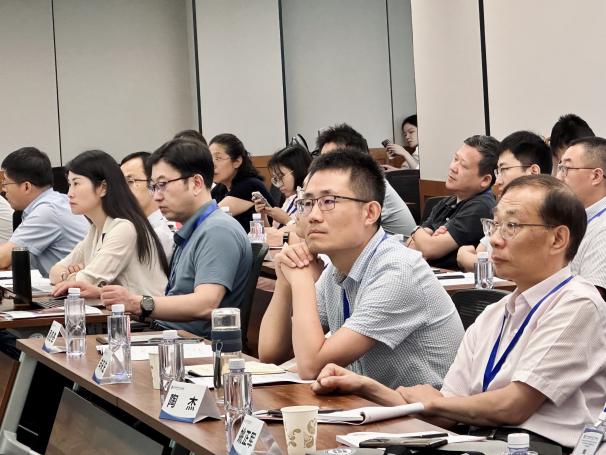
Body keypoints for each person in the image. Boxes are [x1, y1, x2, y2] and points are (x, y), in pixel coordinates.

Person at [313, 175, 606, 454]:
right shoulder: (494, 314)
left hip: (538, 447)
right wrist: (366, 387)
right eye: (494, 225)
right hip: (474, 442)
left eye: (512, 226)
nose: (495, 240)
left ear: (558, 239)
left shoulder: (578, 303)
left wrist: (434, 404)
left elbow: (513, 406)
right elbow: (445, 413)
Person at [258, 149, 464, 388]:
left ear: (370, 213)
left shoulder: (398, 271)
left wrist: (302, 281)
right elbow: (271, 354)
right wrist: (285, 280)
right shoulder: (337, 269)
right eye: (307, 203)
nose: (313, 216)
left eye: (328, 201)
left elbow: (310, 365)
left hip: (420, 410)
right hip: (368, 406)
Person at [100, 138, 252, 339]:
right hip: (171, 335)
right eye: (153, 187)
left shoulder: (218, 230)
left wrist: (137, 303)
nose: (156, 196)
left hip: (195, 345)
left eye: (163, 185)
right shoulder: (195, 228)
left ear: (196, 183)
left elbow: (206, 304)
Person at [49, 150, 169, 298]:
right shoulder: (96, 229)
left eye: (76, 183)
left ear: (103, 188)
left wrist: (72, 276)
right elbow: (54, 271)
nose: (69, 193)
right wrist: (69, 277)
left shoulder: (124, 228)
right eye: (69, 184)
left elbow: (85, 283)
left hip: (146, 311)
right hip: (120, 310)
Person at [457, 131, 552, 271]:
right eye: (498, 172)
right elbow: (481, 252)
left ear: (533, 171)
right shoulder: (503, 210)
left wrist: (464, 256)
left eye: (504, 169)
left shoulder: (545, 216)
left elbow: (511, 268)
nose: (498, 181)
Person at [408, 135, 498, 270]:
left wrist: (416, 231)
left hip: (451, 280)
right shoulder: (446, 202)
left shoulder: (481, 207)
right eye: (455, 159)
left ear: (485, 180)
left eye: (463, 165)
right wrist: (423, 238)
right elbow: (410, 246)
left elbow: (429, 249)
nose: (453, 168)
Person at [0, 147, 88, 276]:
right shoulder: (54, 202)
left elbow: (3, 258)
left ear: (26, 187)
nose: (3, 189)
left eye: (6, 183)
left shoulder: (48, 211)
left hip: (76, 286)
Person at [316, 123, 416, 236]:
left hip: (400, 244)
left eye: (332, 159)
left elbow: (340, 230)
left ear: (357, 159)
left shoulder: (370, 184)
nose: (324, 166)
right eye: (322, 160)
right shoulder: (345, 185)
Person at [557, 136, 606, 298]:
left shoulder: (603, 227)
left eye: (566, 168)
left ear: (596, 176)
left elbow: (592, 299)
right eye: (559, 167)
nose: (559, 177)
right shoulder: (577, 218)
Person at [209, 133, 274, 232]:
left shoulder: (250, 185)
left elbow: (209, 216)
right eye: (210, 159)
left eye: (218, 158)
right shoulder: (220, 189)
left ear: (237, 161)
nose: (212, 165)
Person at [254, 143, 312, 246]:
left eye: (281, 177)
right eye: (276, 179)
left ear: (298, 171)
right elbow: (273, 236)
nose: (278, 184)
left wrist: (286, 220)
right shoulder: (289, 200)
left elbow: (306, 236)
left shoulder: (308, 200)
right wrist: (263, 215)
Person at [120, 151, 174, 259]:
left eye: (130, 181)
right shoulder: (130, 229)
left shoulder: (161, 234)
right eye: (120, 183)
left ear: (153, 183)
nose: (122, 190)